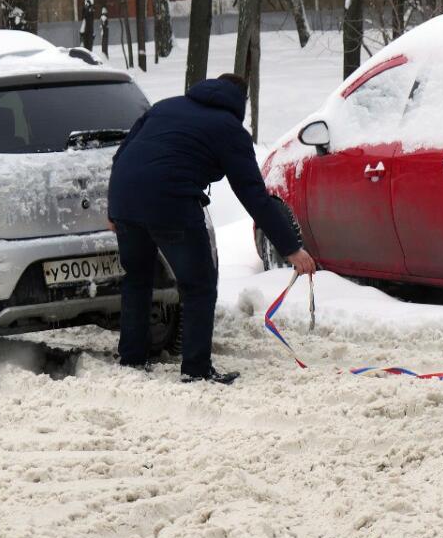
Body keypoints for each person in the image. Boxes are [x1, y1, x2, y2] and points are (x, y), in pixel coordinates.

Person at [107, 73, 316, 384]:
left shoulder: (166, 107)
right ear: (240, 103)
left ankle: (132, 360)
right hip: (171, 202)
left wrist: (114, 208)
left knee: (137, 278)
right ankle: (196, 369)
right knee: (199, 284)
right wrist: (291, 248)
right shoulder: (229, 129)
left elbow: (123, 154)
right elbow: (253, 194)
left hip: (126, 199)